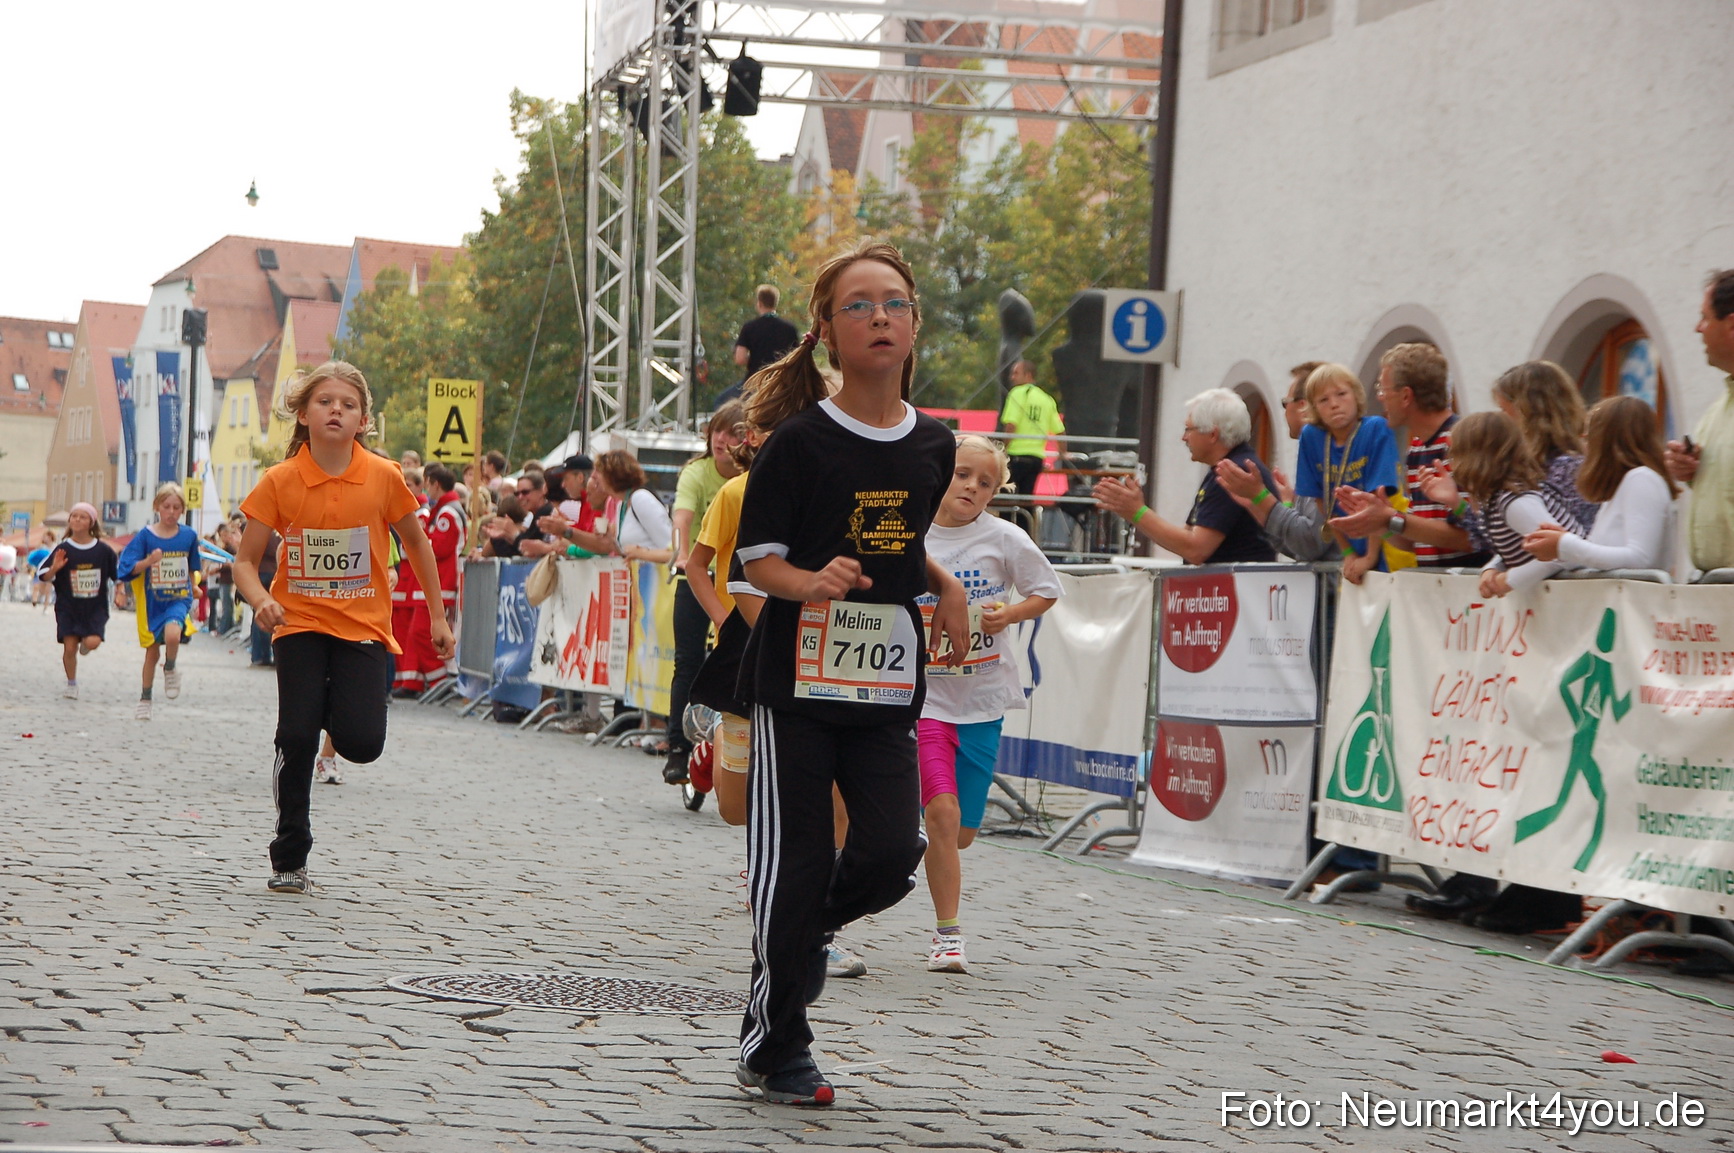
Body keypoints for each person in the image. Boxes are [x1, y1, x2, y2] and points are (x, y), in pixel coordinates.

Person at [732, 240, 968, 1106]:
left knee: (889, 851)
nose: (880, 316)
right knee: (794, 863)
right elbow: (759, 561)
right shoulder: (798, 442)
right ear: (827, 331)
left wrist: (946, 587)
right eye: (859, 304)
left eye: (895, 302)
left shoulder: (935, 443)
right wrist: (810, 582)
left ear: (914, 326)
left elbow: (900, 544)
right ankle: (776, 1047)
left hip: (884, 687)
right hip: (795, 686)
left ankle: (804, 932)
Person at [234, 361, 452, 896]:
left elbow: (417, 543)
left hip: (363, 626)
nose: (336, 410)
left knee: (362, 742)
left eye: (348, 405)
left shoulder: (383, 476)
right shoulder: (280, 480)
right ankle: (289, 856)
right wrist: (261, 600)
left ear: (363, 421)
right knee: (297, 735)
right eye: (325, 402)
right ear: (303, 414)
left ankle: (330, 705)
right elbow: (245, 562)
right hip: (299, 623)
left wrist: (438, 615)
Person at [916, 435, 1061, 974]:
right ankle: (948, 936)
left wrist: (1011, 614)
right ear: (940, 473)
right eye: (962, 475)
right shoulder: (913, 533)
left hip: (981, 699)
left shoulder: (1005, 538)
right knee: (943, 814)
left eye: (985, 483)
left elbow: (1046, 590)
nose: (971, 488)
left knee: (963, 833)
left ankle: (922, 836)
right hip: (924, 698)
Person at [1217, 363, 1397, 565]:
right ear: (1313, 407)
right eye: (1324, 400)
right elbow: (1315, 521)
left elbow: (1377, 499)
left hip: (1380, 556)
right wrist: (1348, 553)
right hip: (1345, 563)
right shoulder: (1313, 438)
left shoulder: (1374, 429)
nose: (1334, 404)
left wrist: (1369, 558)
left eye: (1341, 394)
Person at [1095, 388, 1277, 564]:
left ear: (1213, 434)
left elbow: (1196, 550)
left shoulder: (1233, 473)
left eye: (1189, 429)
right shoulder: (1226, 467)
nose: (1184, 437)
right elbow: (1187, 539)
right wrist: (1135, 512)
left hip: (1238, 584)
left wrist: (1137, 512)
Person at [663, 401, 746, 784]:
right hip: (697, 572)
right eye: (716, 431)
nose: (721, 440)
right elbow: (682, 516)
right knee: (688, 661)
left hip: (737, 581)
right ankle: (678, 748)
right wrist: (681, 553)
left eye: (730, 432)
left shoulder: (750, 478)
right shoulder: (697, 472)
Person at [1426, 411, 1582, 598]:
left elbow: (1566, 552)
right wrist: (1493, 567)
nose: (1452, 465)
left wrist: (1510, 580)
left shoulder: (1516, 502)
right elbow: (1522, 545)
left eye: (1455, 455)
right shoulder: (1498, 501)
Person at [1524, 396, 1679, 574]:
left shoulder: (1641, 479)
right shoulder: (1621, 487)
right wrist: (1560, 543)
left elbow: (1640, 559)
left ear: (1604, 440)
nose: (1585, 447)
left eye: (1588, 437)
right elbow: (1599, 557)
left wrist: (1565, 543)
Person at [1667, 268, 1734, 574]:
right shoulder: (1717, 409)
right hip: (1714, 587)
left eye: (1705, 318)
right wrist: (1689, 470)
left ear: (1731, 325)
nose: (1698, 329)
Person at [116, 484, 202, 720]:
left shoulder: (188, 536)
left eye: (177, 507)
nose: (171, 512)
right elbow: (127, 568)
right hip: (152, 601)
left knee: (174, 635)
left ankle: (170, 667)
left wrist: (193, 586)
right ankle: (145, 698)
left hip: (178, 598)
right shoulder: (145, 536)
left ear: (183, 510)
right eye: (167, 507)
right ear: (156, 507)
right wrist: (149, 561)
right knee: (151, 653)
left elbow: (192, 567)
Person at [393, 462, 463, 695]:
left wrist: (417, 544)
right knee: (413, 633)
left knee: (422, 633)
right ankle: (424, 682)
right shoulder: (440, 511)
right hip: (432, 582)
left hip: (441, 582)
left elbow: (438, 548)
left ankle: (438, 682)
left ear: (435, 484)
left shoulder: (447, 513)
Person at [35, 502, 117, 699]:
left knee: (93, 642)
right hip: (68, 606)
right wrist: (55, 568)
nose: (77, 520)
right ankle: (71, 683)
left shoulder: (103, 550)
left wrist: (121, 590)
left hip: (95, 606)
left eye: (83, 517)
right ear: (69, 520)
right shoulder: (63, 548)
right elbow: (42, 575)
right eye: (74, 516)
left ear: (91, 522)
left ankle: (86, 644)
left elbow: (117, 573)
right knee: (70, 647)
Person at [998, 359, 1065, 498]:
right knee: (1026, 499)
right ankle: (1026, 513)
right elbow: (1059, 431)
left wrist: (1003, 449)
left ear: (1028, 375)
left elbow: (1011, 425)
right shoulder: (1046, 399)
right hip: (1036, 459)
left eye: (1016, 373)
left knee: (1004, 498)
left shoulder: (1017, 393)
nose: (1012, 377)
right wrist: (1062, 455)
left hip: (1016, 455)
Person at [729, 284, 800, 393]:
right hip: (781, 383)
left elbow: (740, 358)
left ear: (759, 303)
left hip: (755, 383)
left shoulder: (750, 327)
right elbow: (796, 358)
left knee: (720, 400)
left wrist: (754, 358)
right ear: (775, 303)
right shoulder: (790, 328)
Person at [26, 530, 55, 608]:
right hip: (40, 569)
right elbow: (34, 556)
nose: (44, 538)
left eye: (46, 536)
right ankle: (35, 600)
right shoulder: (41, 547)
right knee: (37, 586)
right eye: (44, 537)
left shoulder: (54, 546)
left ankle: (45, 606)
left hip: (50, 569)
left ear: (50, 537)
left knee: (48, 588)